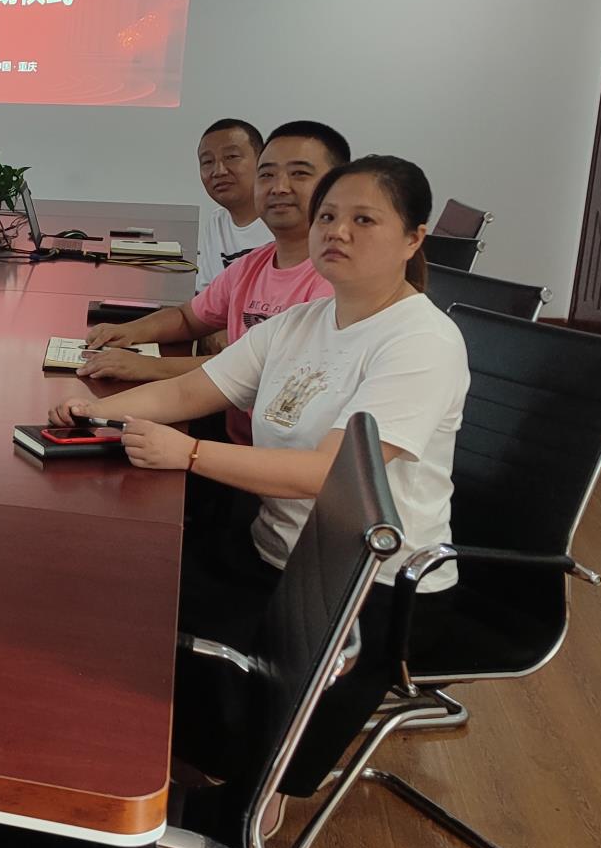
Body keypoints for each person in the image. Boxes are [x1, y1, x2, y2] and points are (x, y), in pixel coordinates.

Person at [51, 155, 465, 790]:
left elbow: (331, 475)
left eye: (363, 220)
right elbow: (191, 391)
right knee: (113, 606)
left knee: (156, 669)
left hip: (363, 590)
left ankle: (231, 805)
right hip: (271, 556)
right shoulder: (303, 321)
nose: (337, 232)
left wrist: (190, 455)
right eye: (328, 217)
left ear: (413, 238)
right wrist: (96, 411)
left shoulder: (420, 342)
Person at [78, 121, 351, 443]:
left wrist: (147, 366)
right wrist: (129, 332)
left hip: (279, 452)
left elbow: (258, 373)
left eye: (299, 174)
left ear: (337, 187)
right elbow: (188, 318)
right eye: (267, 175)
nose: (279, 187)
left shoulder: (336, 282)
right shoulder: (252, 264)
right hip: (235, 430)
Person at [194, 118, 273, 291]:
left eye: (231, 157)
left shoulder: (285, 221)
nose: (219, 171)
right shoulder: (217, 222)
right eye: (207, 162)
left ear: (262, 161)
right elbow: (208, 298)